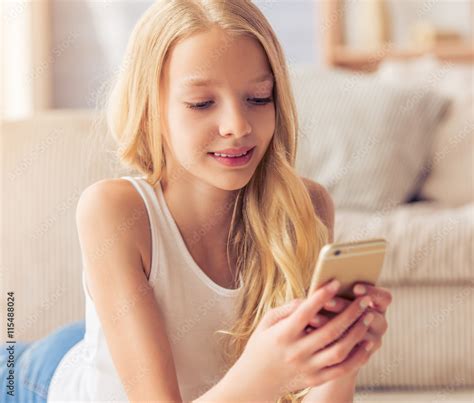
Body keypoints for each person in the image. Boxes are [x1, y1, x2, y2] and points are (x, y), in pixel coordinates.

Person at [0, 1, 393, 402]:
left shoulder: (304, 207)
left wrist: (344, 358)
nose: (237, 126)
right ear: (152, 110)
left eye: (258, 98)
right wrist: (265, 374)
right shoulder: (113, 210)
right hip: (37, 377)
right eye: (202, 104)